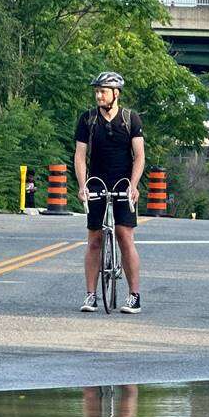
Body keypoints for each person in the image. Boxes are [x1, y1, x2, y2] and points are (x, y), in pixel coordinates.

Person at [75, 71, 144, 313]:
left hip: (123, 183)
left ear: (115, 94)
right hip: (96, 182)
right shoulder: (88, 120)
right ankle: (91, 295)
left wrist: (133, 185)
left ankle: (134, 295)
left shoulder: (130, 119)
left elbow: (140, 156)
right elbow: (80, 156)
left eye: (103, 91)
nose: (98, 95)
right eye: (96, 91)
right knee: (94, 239)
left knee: (125, 236)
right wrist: (83, 185)